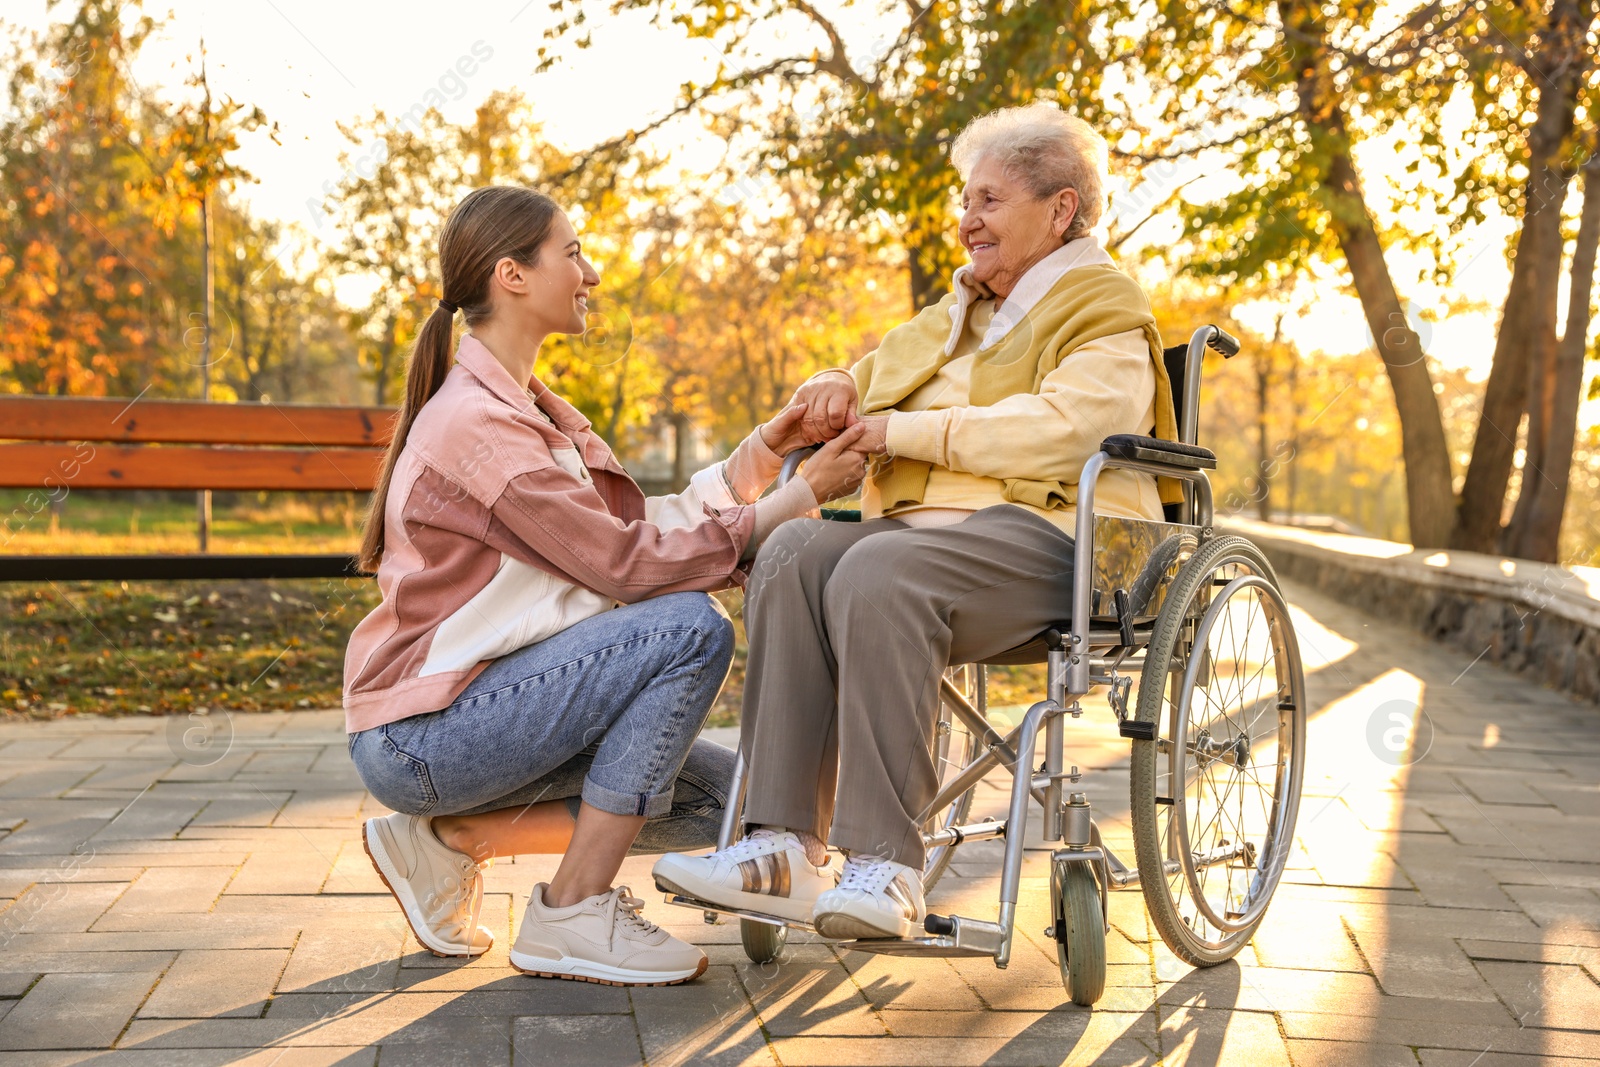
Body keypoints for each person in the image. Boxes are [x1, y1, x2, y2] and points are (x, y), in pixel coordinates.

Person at [652, 103, 1183, 940]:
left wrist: (903, 431)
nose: (967, 221)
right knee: (791, 549)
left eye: (989, 200)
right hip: (925, 541)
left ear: (1061, 209)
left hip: (1057, 541)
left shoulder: (1103, 306)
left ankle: (885, 864)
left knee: (876, 569)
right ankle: (783, 845)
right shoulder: (956, 314)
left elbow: (1071, 430)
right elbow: (866, 378)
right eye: (964, 202)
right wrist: (831, 382)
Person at [343, 185, 868, 986]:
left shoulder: (531, 410)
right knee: (689, 627)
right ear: (512, 275)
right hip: (426, 730)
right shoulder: (477, 425)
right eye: (574, 252)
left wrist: (764, 455)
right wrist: (800, 497)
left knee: (731, 802)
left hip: (489, 706)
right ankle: (573, 910)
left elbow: (630, 530)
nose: (591, 272)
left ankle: (451, 842)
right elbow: (624, 566)